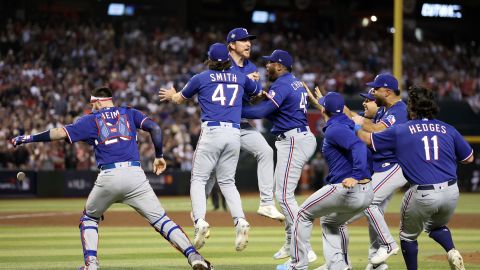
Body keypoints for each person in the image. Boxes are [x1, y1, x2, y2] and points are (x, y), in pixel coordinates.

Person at [10, 86, 212, 270]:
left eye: (92, 103)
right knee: (162, 220)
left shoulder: (91, 119)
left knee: (89, 217)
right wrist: (159, 156)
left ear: (97, 101)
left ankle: (91, 264)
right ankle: (194, 257)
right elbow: (156, 129)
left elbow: (58, 133)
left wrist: (29, 138)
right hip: (135, 176)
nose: (92, 107)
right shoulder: (130, 112)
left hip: (109, 175)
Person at [356, 85, 474, 270]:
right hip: (451, 191)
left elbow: (368, 139)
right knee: (436, 226)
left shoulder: (403, 129)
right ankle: (451, 250)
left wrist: (353, 124)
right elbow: (469, 158)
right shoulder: (448, 129)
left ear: (411, 107)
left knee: (407, 236)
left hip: (423, 193)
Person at [159, 43, 261, 252]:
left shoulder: (201, 78)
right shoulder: (240, 77)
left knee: (198, 179)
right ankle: (240, 220)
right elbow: (258, 92)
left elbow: (179, 99)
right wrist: (252, 81)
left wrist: (171, 95)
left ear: (210, 60)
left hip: (212, 132)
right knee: (228, 182)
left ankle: (199, 222)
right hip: (234, 133)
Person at [277, 92, 374, 270]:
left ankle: (297, 265)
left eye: (323, 106)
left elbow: (358, 146)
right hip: (366, 192)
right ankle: (339, 266)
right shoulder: (347, 123)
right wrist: (321, 102)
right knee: (330, 221)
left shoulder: (336, 129)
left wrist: (356, 174)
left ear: (325, 110)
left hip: (346, 189)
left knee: (301, 215)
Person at [241, 49, 318, 262]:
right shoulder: (294, 82)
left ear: (280, 66)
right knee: (282, 194)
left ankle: (304, 247)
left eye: (270, 63)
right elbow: (279, 111)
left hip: (293, 140)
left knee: (284, 197)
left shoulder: (282, 84)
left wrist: (234, 109)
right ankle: (290, 241)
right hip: (298, 137)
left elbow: (262, 112)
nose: (267, 66)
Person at [204, 27, 285, 222]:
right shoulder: (221, 63)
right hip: (220, 124)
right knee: (211, 170)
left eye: (249, 40)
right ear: (231, 44)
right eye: (243, 40)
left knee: (266, 151)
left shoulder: (251, 68)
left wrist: (257, 92)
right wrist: (243, 81)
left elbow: (251, 98)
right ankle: (199, 210)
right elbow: (214, 92)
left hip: (241, 124)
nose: (248, 43)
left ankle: (266, 203)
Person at [349, 73, 409, 268]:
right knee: (376, 213)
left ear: (388, 91)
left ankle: (389, 244)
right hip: (383, 167)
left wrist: (349, 114)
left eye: (376, 88)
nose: (373, 91)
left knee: (368, 202)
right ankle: (377, 264)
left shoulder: (399, 110)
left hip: (395, 165)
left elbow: (375, 130)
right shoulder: (385, 110)